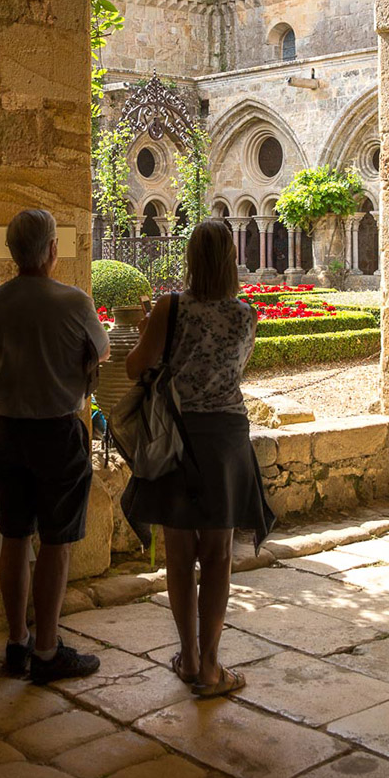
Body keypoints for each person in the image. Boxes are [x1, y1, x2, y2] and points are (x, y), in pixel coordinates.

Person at [122, 218, 275, 697]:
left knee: (179, 554)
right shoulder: (245, 315)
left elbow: (134, 366)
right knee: (217, 556)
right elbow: (231, 371)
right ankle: (211, 666)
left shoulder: (170, 308)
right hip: (225, 440)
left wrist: (151, 330)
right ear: (231, 260)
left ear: (189, 259)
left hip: (176, 438)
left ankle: (188, 659)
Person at [0, 208, 110, 684]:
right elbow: (102, 351)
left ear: (14, 251)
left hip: (5, 432)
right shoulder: (72, 302)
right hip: (56, 433)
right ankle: (47, 649)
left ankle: (16, 643)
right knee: (57, 540)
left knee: (14, 535)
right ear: (53, 249)